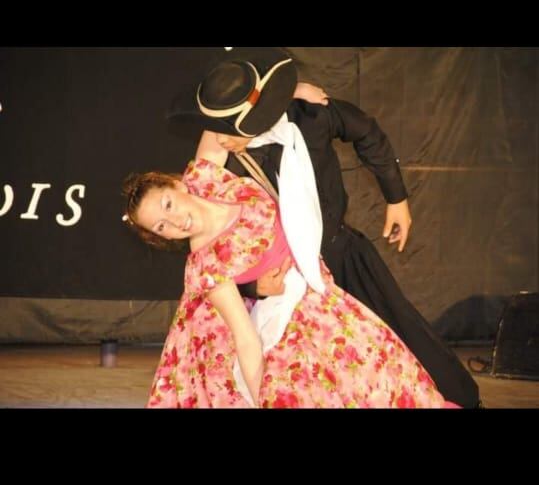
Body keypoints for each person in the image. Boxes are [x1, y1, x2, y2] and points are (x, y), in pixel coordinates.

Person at [166, 47, 480, 409]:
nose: (221, 137)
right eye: (218, 128)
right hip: (290, 285)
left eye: (230, 127)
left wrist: (397, 198)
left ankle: (462, 401)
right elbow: (214, 253)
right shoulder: (222, 167)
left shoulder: (311, 114)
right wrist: (254, 286)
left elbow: (365, 131)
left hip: (340, 254)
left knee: (400, 332)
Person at [122, 150, 460, 409]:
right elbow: (245, 339)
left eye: (168, 205)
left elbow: (222, 104)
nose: (175, 221)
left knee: (388, 376)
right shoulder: (206, 265)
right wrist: (259, 398)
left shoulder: (205, 176)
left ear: (178, 184)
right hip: (289, 321)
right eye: (161, 227)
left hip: (320, 292)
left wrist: (294, 88)